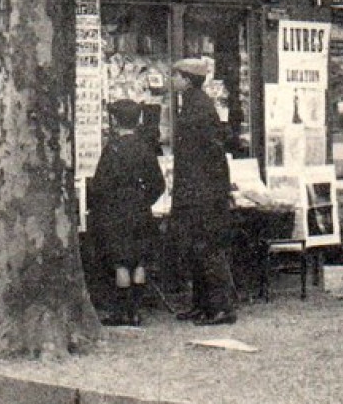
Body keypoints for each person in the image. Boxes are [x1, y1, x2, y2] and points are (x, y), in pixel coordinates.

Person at [169, 56, 237, 326]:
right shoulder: (194, 104)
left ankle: (221, 307)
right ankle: (202, 305)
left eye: (175, 76)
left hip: (203, 194)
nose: (172, 80)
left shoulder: (199, 108)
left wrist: (212, 190)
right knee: (196, 249)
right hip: (197, 191)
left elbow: (212, 153)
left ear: (186, 79)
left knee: (208, 250)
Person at [87, 99, 166, 327]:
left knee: (120, 262)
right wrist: (144, 200)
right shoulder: (145, 148)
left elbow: (100, 185)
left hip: (116, 212)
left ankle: (121, 312)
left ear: (114, 121)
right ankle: (135, 312)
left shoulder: (112, 149)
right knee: (139, 261)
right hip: (140, 211)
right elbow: (158, 184)